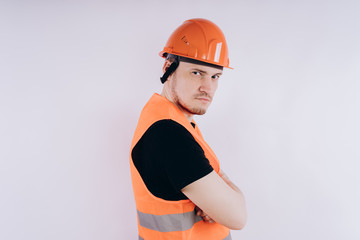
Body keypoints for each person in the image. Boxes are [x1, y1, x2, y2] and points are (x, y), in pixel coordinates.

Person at [129, 18, 247, 240]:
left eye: (215, 76)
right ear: (168, 68)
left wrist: (217, 197)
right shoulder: (168, 135)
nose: (208, 87)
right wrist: (228, 188)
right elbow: (238, 216)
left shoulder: (167, 118)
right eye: (197, 73)